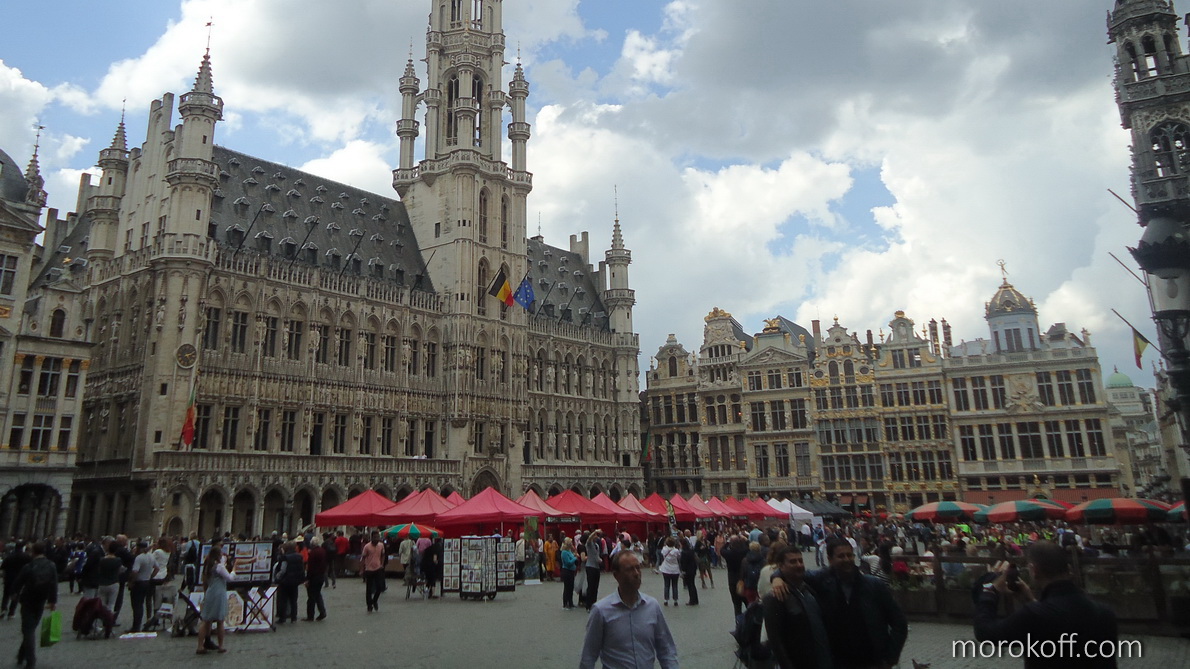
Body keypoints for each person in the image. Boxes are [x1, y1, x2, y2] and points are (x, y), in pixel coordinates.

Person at [974, 540, 1118, 668]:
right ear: (1068, 569)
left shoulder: (1033, 616)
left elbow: (985, 631)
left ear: (1034, 570)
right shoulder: (1105, 614)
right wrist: (1031, 600)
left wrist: (989, 590)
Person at [774, 536, 907, 669]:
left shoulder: (874, 585)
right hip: (838, 662)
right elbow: (796, 572)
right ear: (830, 559)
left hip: (872, 661)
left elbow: (899, 622)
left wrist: (890, 658)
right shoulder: (822, 580)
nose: (846, 559)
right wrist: (776, 577)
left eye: (849, 555)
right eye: (841, 556)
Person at [579, 550, 678, 669]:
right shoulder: (601, 611)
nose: (636, 573)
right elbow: (588, 655)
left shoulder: (652, 606)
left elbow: (666, 649)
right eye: (629, 569)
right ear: (616, 575)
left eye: (638, 568)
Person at [763, 544, 831, 669]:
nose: (799, 565)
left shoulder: (809, 588)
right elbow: (776, 642)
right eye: (793, 562)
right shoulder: (775, 597)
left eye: (800, 561)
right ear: (781, 566)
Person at [14, 541, 57, 669]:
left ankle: (31, 660)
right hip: (41, 600)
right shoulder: (51, 565)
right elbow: (54, 584)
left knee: (28, 630)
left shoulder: (29, 566)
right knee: (30, 628)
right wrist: (52, 601)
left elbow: (18, 582)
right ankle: (21, 654)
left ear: (33, 552)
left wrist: (14, 594)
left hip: (28, 600)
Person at [196, 545, 232, 654]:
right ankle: (221, 646)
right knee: (220, 621)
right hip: (219, 592)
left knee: (206, 620)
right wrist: (234, 570)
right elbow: (229, 578)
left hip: (210, 591)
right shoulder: (219, 567)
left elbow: (205, 579)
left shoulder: (208, 565)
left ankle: (200, 646)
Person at [128, 540, 159, 632]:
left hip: (139, 582)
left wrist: (132, 582)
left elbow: (135, 571)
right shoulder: (151, 556)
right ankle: (138, 624)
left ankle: (136, 626)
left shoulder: (139, 558)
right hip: (147, 582)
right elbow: (157, 568)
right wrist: (151, 576)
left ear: (139, 548)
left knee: (136, 605)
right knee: (141, 603)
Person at [274, 541, 304, 623]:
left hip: (285, 581)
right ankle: (294, 617)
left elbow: (283, 570)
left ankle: (282, 617)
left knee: (283, 600)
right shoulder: (299, 556)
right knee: (293, 600)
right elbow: (301, 569)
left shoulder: (285, 557)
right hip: (295, 581)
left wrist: (277, 577)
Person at [304, 535, 328, 621]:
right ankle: (322, 612)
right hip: (321, 576)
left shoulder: (312, 553)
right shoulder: (322, 551)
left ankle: (310, 615)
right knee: (317, 594)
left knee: (311, 597)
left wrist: (307, 579)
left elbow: (310, 567)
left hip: (314, 577)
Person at [361, 531, 386, 612]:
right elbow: (363, 558)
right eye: (375, 537)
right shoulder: (367, 546)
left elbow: (383, 555)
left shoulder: (381, 545)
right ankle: (369, 605)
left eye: (378, 537)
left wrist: (382, 564)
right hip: (369, 569)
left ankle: (374, 600)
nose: (377, 539)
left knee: (379, 587)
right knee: (369, 588)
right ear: (371, 538)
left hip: (378, 568)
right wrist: (362, 569)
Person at [658, 536, 682, 607]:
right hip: (675, 569)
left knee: (666, 585)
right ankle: (675, 600)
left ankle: (666, 600)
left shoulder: (664, 549)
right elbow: (679, 557)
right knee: (675, 585)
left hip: (666, 569)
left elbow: (662, 555)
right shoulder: (676, 551)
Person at [584, 529, 604, 610]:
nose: (596, 537)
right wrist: (595, 531)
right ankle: (588, 604)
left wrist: (600, 560)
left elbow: (596, 555)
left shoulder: (597, 545)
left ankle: (594, 602)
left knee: (596, 586)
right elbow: (589, 538)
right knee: (591, 586)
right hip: (590, 566)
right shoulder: (589, 544)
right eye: (595, 535)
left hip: (596, 567)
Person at [679, 537, 699, 606]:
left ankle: (692, 600)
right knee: (693, 584)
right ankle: (695, 599)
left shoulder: (684, 552)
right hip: (693, 569)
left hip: (687, 570)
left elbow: (683, 563)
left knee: (690, 586)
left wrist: (683, 571)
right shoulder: (691, 551)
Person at [560, 537, 579, 609]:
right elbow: (568, 562)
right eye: (571, 543)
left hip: (571, 571)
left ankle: (571, 602)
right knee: (567, 587)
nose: (572, 544)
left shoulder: (569, 551)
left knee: (571, 587)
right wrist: (575, 558)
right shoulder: (564, 552)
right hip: (566, 571)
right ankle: (566, 603)